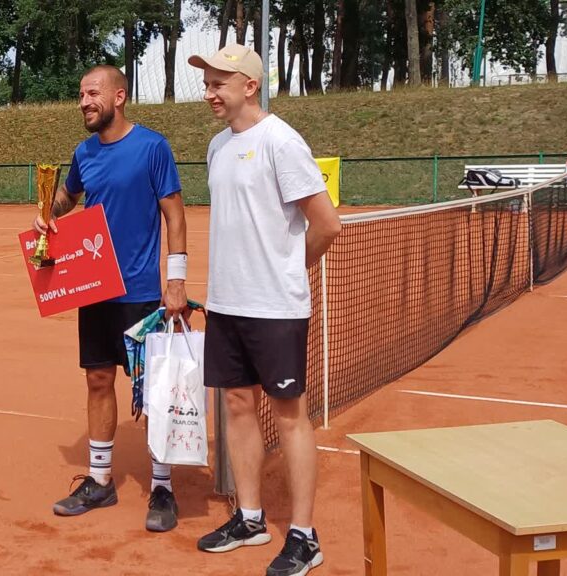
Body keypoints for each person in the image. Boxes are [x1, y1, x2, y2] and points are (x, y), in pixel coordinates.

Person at [188, 44, 341, 576]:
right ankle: (250, 518)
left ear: (249, 85)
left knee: (291, 416)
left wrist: (287, 270)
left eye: (218, 83)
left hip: (275, 307)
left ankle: (304, 535)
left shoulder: (281, 141)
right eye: (206, 83)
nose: (209, 93)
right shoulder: (216, 147)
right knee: (235, 406)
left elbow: (326, 224)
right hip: (226, 303)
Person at [33, 65, 189, 532]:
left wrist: (176, 280)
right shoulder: (83, 153)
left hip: (141, 292)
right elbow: (67, 198)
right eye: (81, 94)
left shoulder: (152, 147)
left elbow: (175, 217)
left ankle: (162, 486)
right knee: (98, 379)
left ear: (119, 96)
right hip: (94, 287)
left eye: (93, 93)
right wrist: (47, 214)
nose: (84, 101)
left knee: (156, 389)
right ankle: (100, 480)